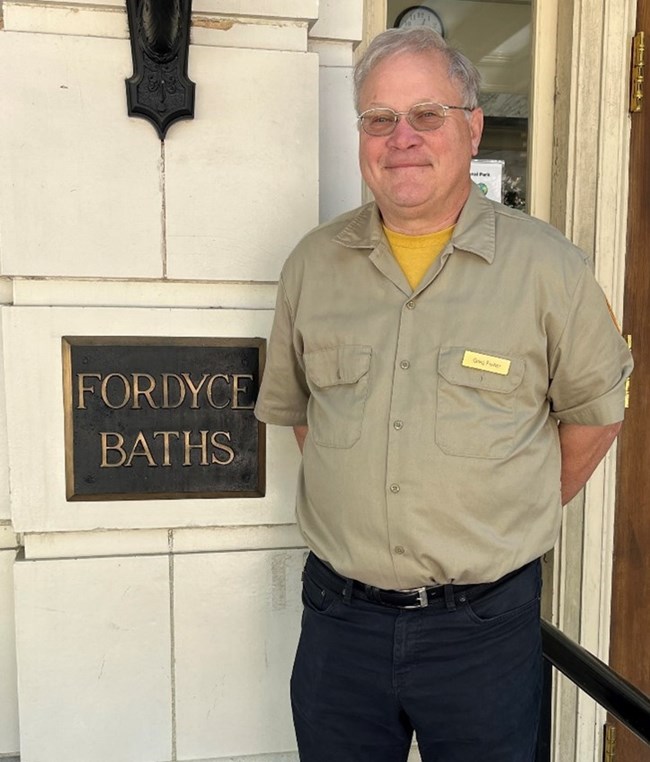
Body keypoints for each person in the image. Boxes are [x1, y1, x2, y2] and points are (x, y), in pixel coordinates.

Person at [254, 27, 633, 762]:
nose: (402, 138)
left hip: (482, 632)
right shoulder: (312, 267)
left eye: (427, 114)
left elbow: (596, 414)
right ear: (362, 133)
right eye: (379, 119)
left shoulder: (549, 269)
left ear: (472, 125)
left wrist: (502, 511)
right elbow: (306, 418)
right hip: (341, 626)